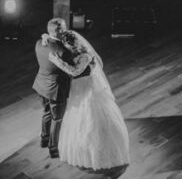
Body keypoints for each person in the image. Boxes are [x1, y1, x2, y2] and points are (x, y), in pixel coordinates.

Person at [56, 30, 131, 170]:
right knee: (78, 117)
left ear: (75, 43)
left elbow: (75, 71)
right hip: (78, 87)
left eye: (69, 45)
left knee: (91, 117)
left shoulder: (85, 56)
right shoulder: (75, 52)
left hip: (87, 88)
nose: (67, 48)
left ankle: (99, 153)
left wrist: (57, 61)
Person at [32, 18, 88, 159]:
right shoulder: (63, 51)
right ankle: (54, 148)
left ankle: (44, 139)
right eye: (63, 28)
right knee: (57, 119)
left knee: (46, 112)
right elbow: (73, 70)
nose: (65, 29)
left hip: (41, 85)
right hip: (56, 89)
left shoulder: (39, 43)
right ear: (57, 31)